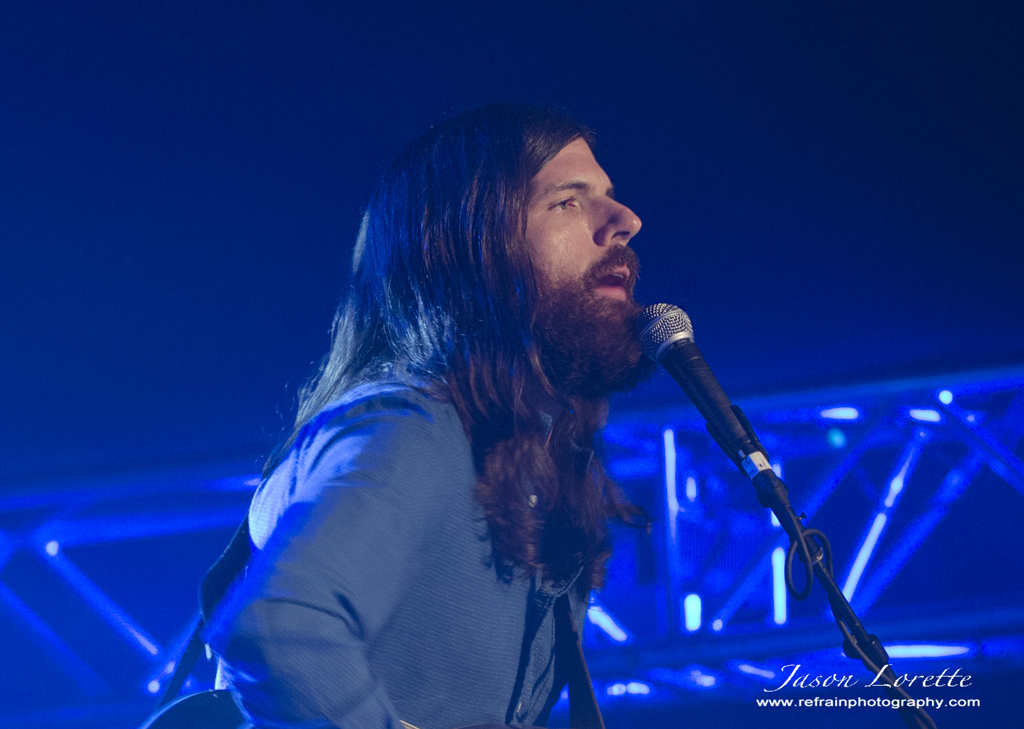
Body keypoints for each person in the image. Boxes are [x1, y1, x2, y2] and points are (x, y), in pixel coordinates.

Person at [204, 103, 655, 729]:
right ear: (468, 249)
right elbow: (281, 627)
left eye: (608, 197)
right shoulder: (413, 430)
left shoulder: (536, 474)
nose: (625, 220)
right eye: (567, 202)